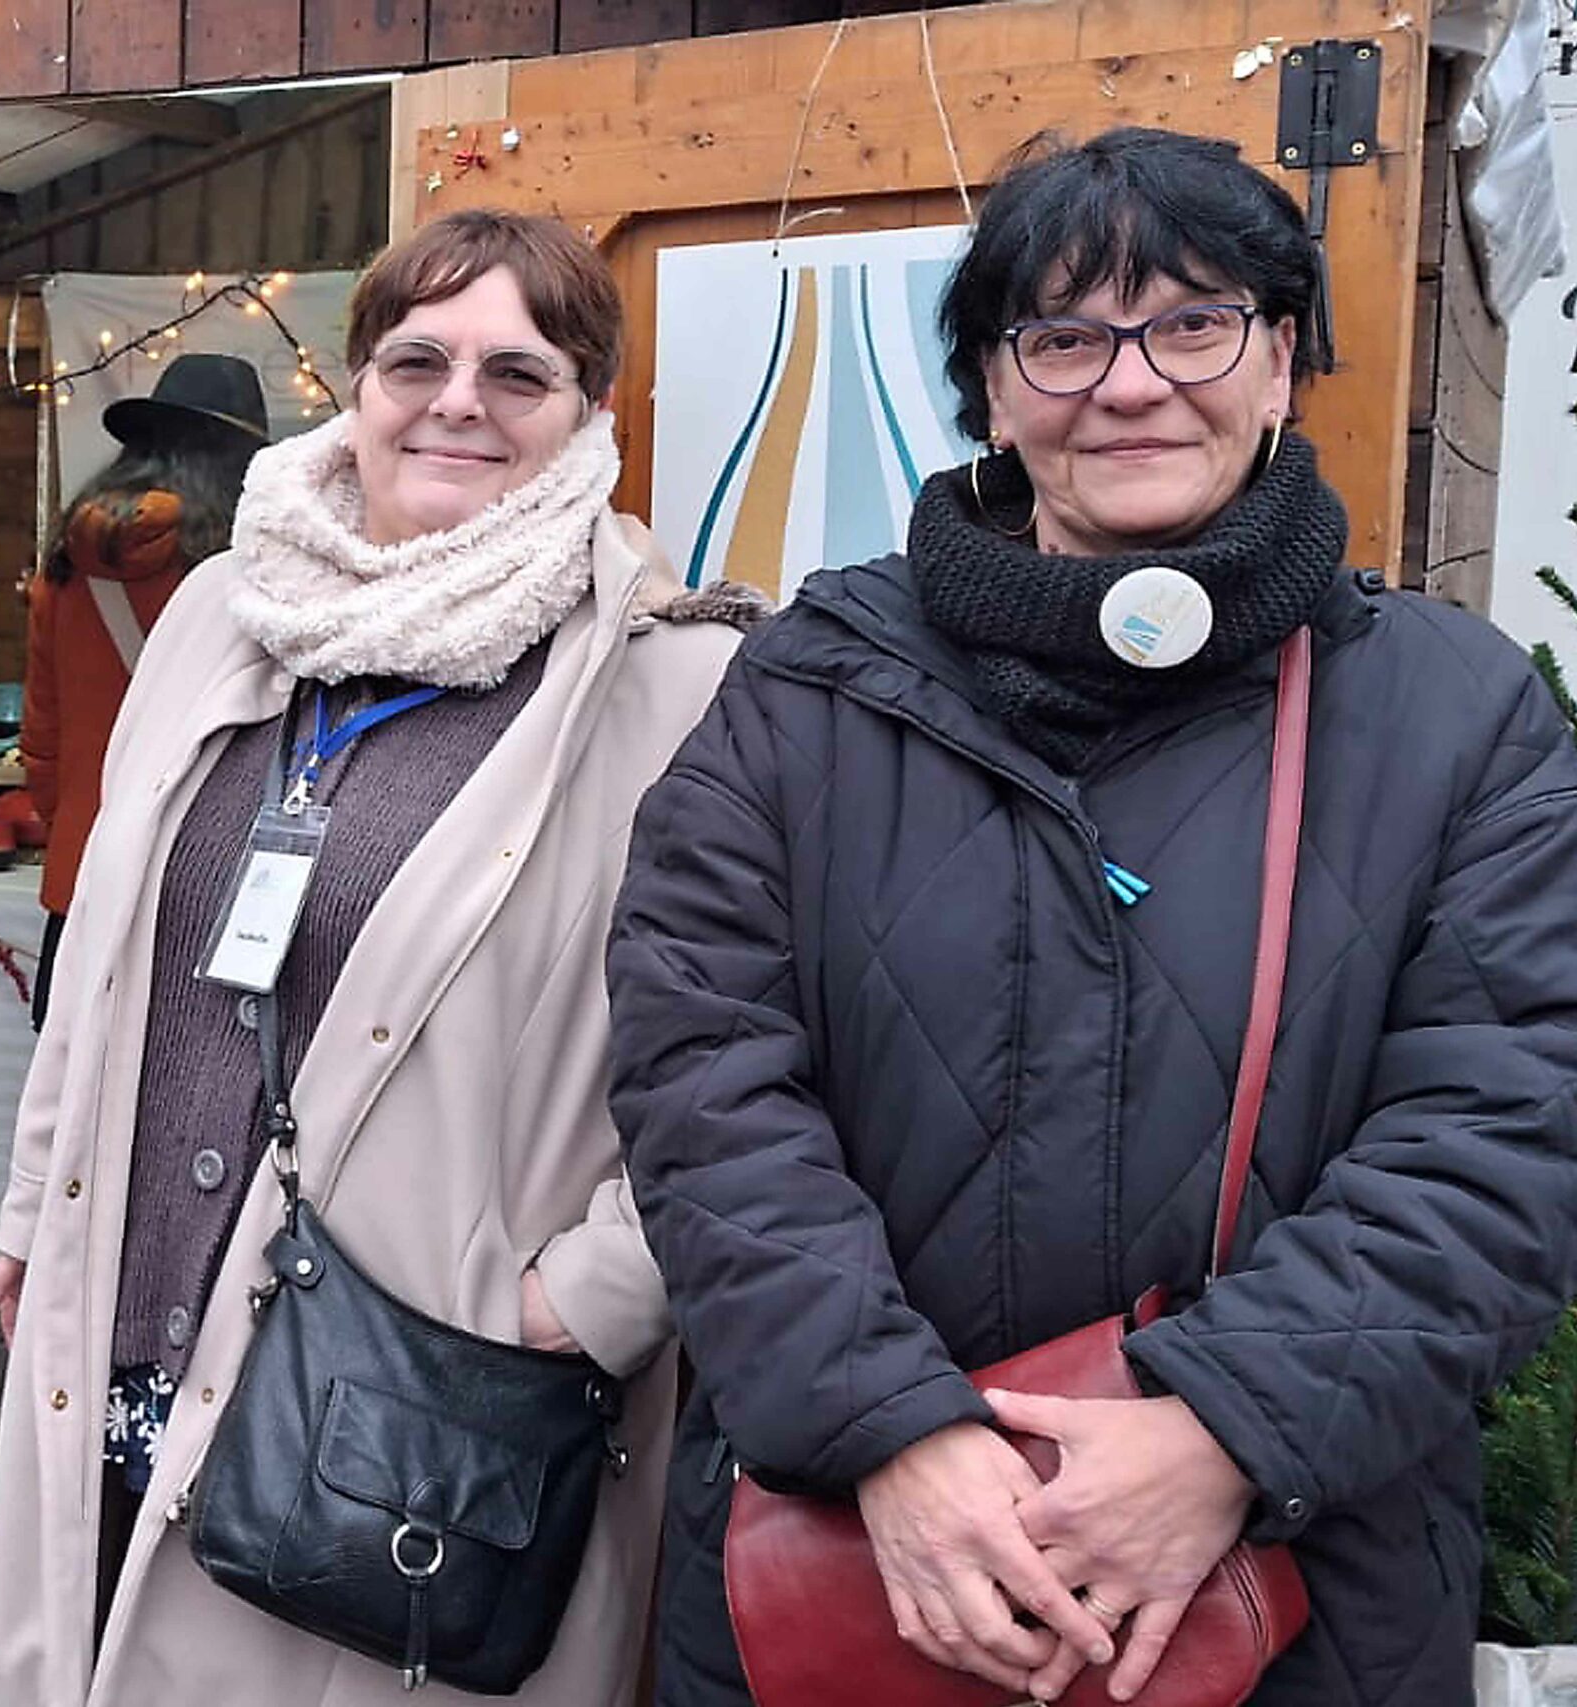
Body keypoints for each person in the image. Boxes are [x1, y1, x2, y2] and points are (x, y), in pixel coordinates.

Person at [608, 126, 1577, 1707]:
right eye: (1064, 337)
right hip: (858, 1570)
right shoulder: (805, 692)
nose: (1132, 385)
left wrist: (1226, 1427)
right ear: (995, 390)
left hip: (1303, 1595)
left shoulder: (1456, 715)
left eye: (1195, 323)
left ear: (1281, 362)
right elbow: (700, 1082)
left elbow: (1509, 1126)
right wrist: (893, 1431)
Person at [0, 208, 761, 1705]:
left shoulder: (681, 681)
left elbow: (767, 1051)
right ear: (358, 386)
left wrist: (595, 1297)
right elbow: (112, 958)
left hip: (417, 1391)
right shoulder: (224, 616)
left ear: (592, 409)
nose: (458, 402)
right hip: (134, 1314)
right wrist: (34, 1204)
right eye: (418, 361)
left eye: (517, 374)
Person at [21, 353, 272, 1027]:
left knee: (73, 1075)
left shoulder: (66, 568)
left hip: (83, 874)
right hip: (196, 877)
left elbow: (41, 743)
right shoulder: (240, 576)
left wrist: (79, 827)